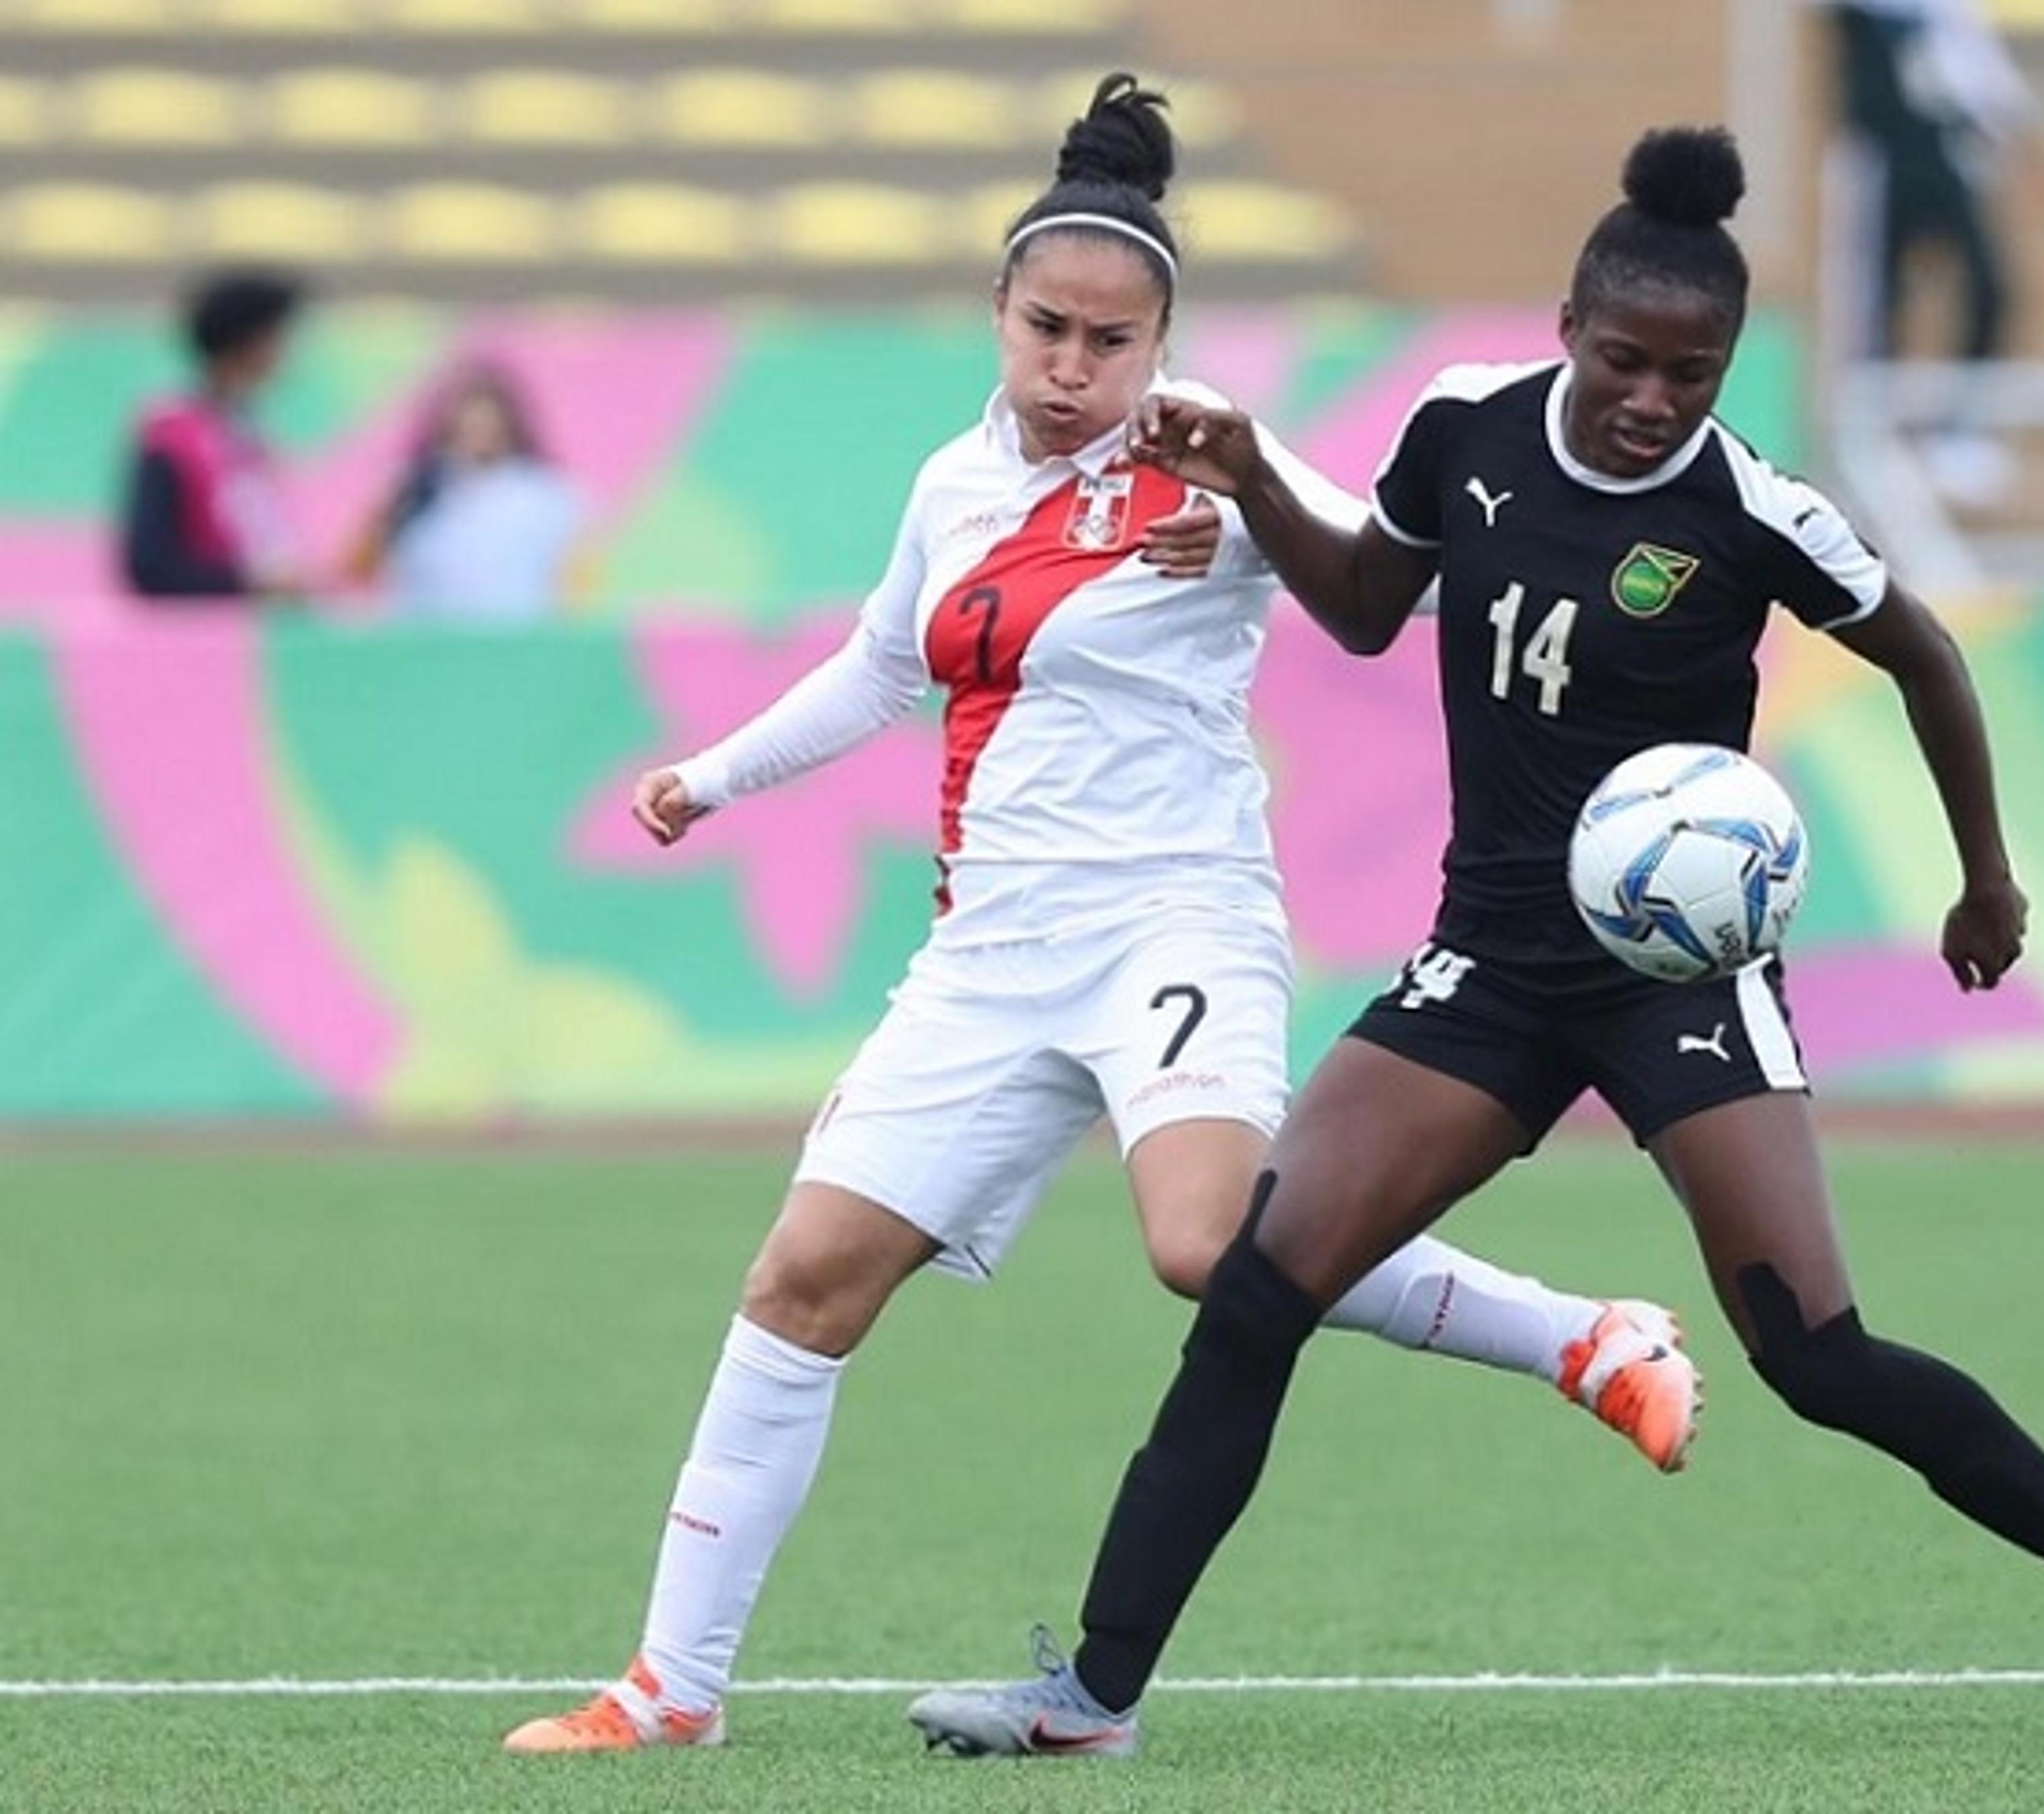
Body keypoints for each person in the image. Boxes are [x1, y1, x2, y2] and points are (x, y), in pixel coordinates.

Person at [908, 123, 2044, 1762]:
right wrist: (1247, 482)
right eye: (1625, 360)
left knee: (1812, 1354)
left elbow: (1931, 657)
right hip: (1491, 962)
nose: (1654, 398)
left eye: (1693, 371)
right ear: (1568, 330)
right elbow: (1372, 603)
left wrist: (1987, 883)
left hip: (1680, 976)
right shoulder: (1463, 426)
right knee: (1253, 1293)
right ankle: (1088, 1696)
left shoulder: (1751, 508)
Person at [500, 75, 1701, 1758]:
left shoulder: (1212, 455)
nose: (1073, 368)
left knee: (1206, 1245)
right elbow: (876, 665)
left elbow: (1387, 570)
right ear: (998, 313)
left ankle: (1577, 1335)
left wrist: (1256, 513)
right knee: (801, 1283)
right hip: (990, 948)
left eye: (1109, 341)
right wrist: (712, 775)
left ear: (1161, 342)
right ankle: (668, 1693)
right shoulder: (950, 486)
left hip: (1175, 920)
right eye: (1046, 329)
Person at [1827, 0, 2031, 505]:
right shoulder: (1863, 19)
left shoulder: (1949, 15)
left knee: (1990, 286)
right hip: (1882, 160)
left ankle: (1963, 423)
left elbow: (1991, 82)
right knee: (1878, 295)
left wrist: (1998, 127)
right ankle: (1871, 425)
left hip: (1942, 153)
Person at [118, 269, 305, 602]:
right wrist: (251, 584)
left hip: (256, 634)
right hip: (204, 642)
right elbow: (149, 567)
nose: (287, 352)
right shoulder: (172, 434)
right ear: (248, 342)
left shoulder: (246, 429)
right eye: (277, 336)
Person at [350, 362, 584, 622]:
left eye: (486, 423)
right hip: (425, 641)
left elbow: (573, 586)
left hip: (512, 641)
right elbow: (359, 569)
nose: (476, 434)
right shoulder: (412, 484)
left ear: (508, 426)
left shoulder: (545, 495)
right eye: (467, 423)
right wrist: (391, 512)